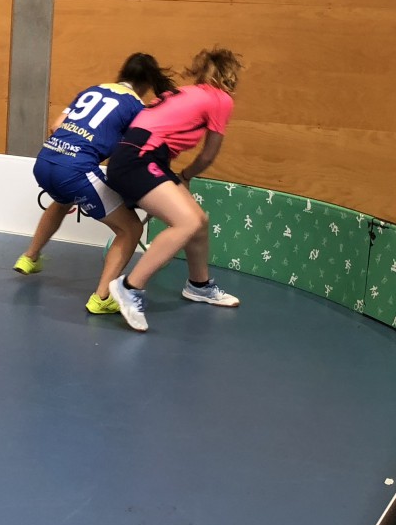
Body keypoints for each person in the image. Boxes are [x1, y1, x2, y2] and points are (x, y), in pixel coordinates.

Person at [13, 53, 176, 315]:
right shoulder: (136, 107)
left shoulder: (94, 89)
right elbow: (133, 150)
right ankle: (102, 298)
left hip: (45, 161)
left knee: (61, 200)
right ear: (148, 82)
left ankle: (29, 257)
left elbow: (56, 126)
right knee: (131, 229)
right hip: (76, 169)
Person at [104, 48, 244, 333]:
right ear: (229, 76)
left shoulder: (184, 93)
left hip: (140, 157)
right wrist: (186, 175)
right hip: (139, 160)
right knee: (187, 222)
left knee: (199, 221)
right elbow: (208, 156)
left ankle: (199, 285)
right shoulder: (221, 99)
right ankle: (130, 287)